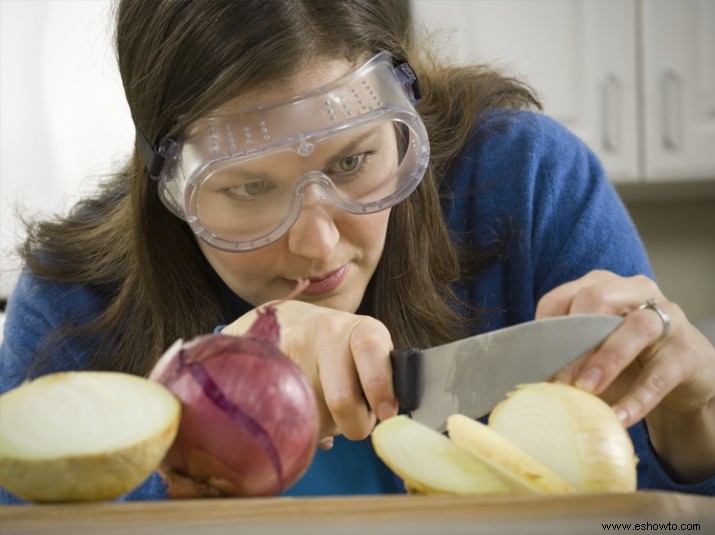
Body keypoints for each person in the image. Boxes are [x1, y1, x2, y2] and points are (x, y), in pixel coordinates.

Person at [1, 0, 713, 503]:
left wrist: (692, 430)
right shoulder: (73, 300)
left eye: (351, 163)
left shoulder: (527, 186)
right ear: (168, 189)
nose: (316, 243)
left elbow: (640, 515)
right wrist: (200, 413)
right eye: (249, 188)